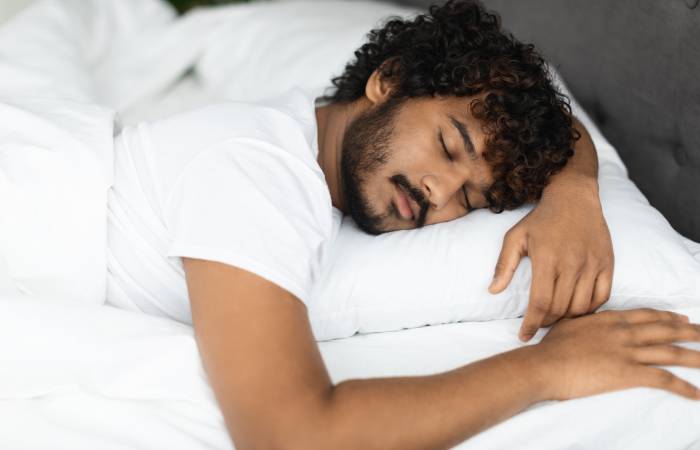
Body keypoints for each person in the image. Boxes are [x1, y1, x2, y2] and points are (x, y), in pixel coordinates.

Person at [105, 0, 700, 448]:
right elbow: (288, 434)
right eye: (448, 144)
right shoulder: (258, 171)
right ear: (386, 82)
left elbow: (561, 129)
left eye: (471, 198)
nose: (441, 193)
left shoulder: (311, 136)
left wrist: (573, 193)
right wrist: (549, 367)